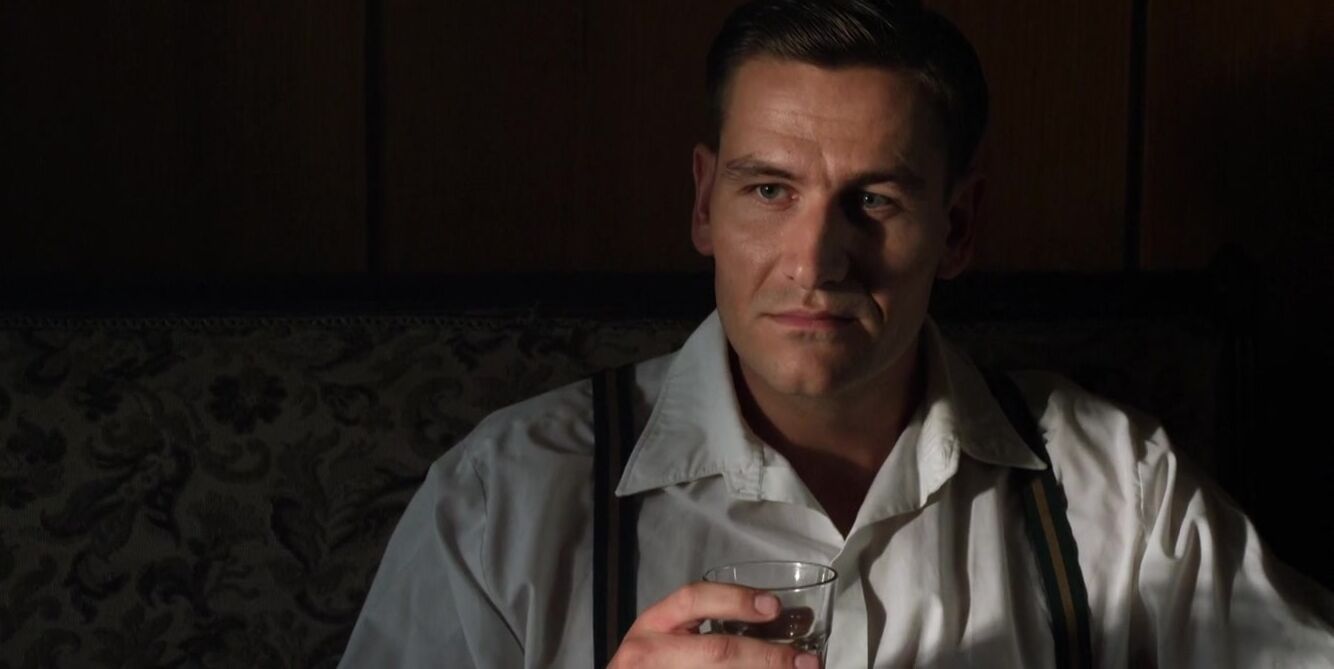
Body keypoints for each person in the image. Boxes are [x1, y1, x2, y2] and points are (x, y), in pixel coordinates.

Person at [339, 1, 1334, 667]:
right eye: (769, 190)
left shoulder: (1117, 488)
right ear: (704, 204)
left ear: (956, 228)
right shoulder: (505, 498)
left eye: (874, 200)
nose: (814, 261)